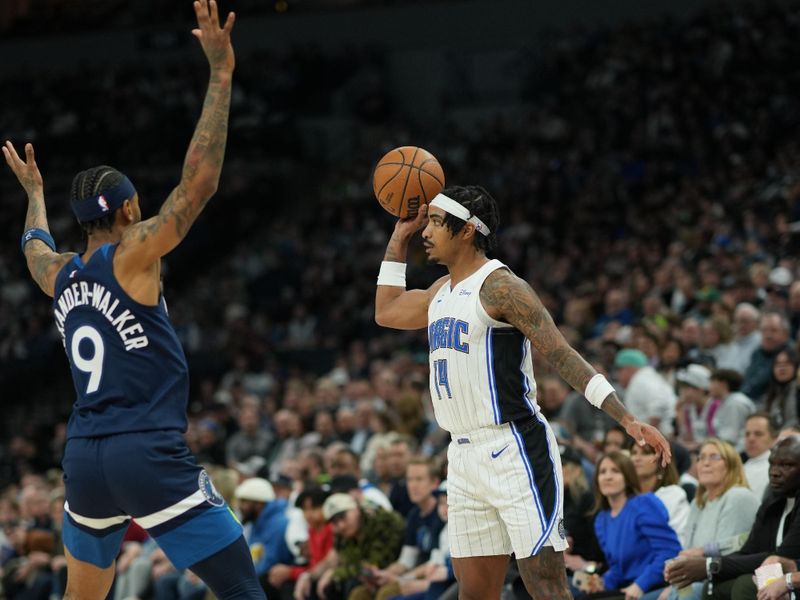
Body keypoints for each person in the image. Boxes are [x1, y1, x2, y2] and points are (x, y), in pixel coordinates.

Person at [2, 3, 263, 599]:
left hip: (84, 460)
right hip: (145, 452)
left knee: (82, 597)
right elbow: (199, 184)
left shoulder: (63, 276)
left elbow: (32, 247)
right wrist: (221, 76)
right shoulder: (136, 253)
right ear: (125, 210)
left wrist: (35, 194)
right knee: (243, 590)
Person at [374, 185, 672, 600]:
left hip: (515, 449)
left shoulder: (501, 288)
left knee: (546, 589)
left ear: (467, 232)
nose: (427, 230)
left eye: (437, 223)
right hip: (462, 455)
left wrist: (626, 418)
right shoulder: (441, 291)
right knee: (474, 594)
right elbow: (386, 310)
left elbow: (562, 354)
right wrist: (398, 237)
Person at [663, 437, 800, 600]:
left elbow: (780, 557)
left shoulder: (739, 497)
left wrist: (709, 564)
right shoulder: (773, 502)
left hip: (789, 581)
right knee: (709, 588)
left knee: (740, 585)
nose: (774, 472)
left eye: (786, 465)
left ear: (732, 465)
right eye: (772, 463)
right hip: (767, 576)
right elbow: (750, 551)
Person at [660, 438, 760, 600]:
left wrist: (700, 553)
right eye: (701, 458)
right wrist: (675, 584)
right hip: (697, 578)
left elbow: (732, 551)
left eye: (714, 457)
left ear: (732, 465)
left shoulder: (738, 496)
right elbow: (688, 551)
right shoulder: (698, 501)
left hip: (723, 579)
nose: (705, 463)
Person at [579, 451, 681, 599]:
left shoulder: (644, 504)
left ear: (627, 477)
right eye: (602, 472)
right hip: (627, 589)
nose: (608, 477)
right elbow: (618, 568)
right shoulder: (601, 519)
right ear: (596, 480)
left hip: (655, 586)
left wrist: (641, 584)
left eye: (615, 471)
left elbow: (670, 552)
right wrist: (602, 583)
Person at [630, 443, 690, 546]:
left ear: (661, 460)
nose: (637, 458)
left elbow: (679, 540)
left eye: (646, 453)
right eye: (634, 453)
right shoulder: (626, 495)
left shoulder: (673, 495)